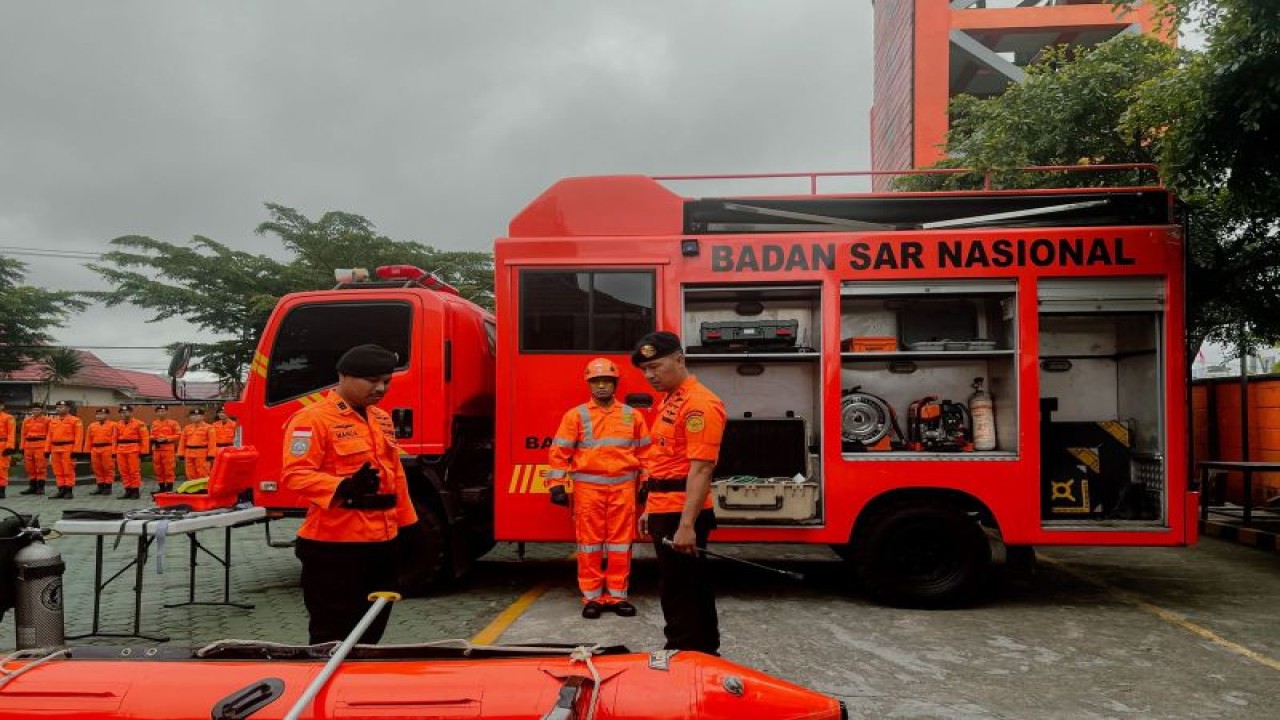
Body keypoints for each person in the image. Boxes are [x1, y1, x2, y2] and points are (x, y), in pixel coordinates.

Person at [281, 344, 418, 645]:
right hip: (335, 547)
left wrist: (408, 528)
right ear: (343, 376)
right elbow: (295, 475)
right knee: (332, 634)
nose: (381, 388)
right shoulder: (312, 419)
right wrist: (342, 487)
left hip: (381, 544)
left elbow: (396, 475)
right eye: (372, 380)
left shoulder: (380, 418)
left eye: (386, 381)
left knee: (371, 632)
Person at [632, 331, 726, 656]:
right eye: (644, 370)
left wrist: (687, 524)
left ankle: (685, 653)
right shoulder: (672, 399)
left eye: (656, 367)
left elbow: (701, 469)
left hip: (681, 513)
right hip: (665, 508)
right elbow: (664, 462)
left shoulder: (700, 404)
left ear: (679, 359)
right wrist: (649, 508)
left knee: (681, 590)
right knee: (683, 588)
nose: (649, 376)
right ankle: (699, 653)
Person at [546, 358, 650, 619]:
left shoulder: (632, 415)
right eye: (596, 381)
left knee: (620, 545)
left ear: (615, 383)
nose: (602, 386)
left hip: (623, 490)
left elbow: (647, 453)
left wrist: (647, 482)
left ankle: (616, 596)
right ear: (589, 384)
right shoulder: (576, 415)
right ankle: (591, 598)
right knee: (589, 545)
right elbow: (560, 452)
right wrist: (556, 484)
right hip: (588, 491)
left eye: (606, 381)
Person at [47, 400, 84, 499]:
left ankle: (69, 491)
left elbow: (79, 437)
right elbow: (49, 436)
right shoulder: (53, 421)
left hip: (68, 448)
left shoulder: (75, 420)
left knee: (68, 470)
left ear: (68, 408)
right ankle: (61, 490)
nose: (59, 409)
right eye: (57, 407)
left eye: (62, 407)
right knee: (57, 471)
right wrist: (47, 450)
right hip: (55, 448)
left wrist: (76, 451)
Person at [114, 404, 150, 499]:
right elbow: (114, 439)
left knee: (134, 471)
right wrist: (114, 452)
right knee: (123, 471)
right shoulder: (117, 424)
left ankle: (135, 491)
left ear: (131, 412)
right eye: (121, 413)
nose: (123, 414)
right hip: (121, 449)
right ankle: (127, 490)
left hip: (133, 449)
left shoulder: (139, 424)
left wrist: (144, 452)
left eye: (125, 412)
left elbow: (145, 438)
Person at [84, 407, 118, 495]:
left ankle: (108, 487)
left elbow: (115, 439)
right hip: (95, 449)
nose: (99, 416)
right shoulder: (92, 425)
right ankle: (100, 486)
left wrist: (114, 452)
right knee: (97, 468)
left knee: (108, 468)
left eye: (102, 414)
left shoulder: (113, 425)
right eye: (98, 414)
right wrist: (87, 452)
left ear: (107, 415)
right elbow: (88, 439)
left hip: (107, 448)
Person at [18, 406, 50, 495]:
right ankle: (32, 487)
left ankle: (40, 487)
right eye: (33, 409)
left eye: (37, 409)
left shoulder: (47, 420)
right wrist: (22, 448)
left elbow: (49, 435)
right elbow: (23, 435)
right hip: (28, 445)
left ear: (42, 410)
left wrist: (48, 449)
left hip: (41, 445)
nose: (35, 411)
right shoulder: (27, 421)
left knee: (41, 467)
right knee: (29, 467)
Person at [150, 404, 181, 493]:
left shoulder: (173, 423)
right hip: (156, 449)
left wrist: (166, 438)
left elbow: (178, 435)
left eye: (163, 411)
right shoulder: (154, 423)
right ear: (156, 413)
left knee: (169, 469)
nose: (160, 413)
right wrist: (153, 438)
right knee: (158, 469)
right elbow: (151, 434)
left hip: (168, 449)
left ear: (167, 412)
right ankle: (161, 488)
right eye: (158, 411)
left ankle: (169, 488)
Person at [178, 408, 214, 481]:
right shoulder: (187, 428)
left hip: (202, 453)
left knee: (203, 472)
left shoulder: (209, 427)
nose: (194, 417)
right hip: (189, 453)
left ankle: (204, 490)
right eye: (192, 415)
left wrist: (211, 455)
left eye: (197, 415)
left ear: (202, 416)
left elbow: (212, 442)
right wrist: (180, 453)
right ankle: (193, 490)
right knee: (190, 473)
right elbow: (182, 441)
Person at [0, 401, 15, 499]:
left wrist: (9, 447)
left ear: (2, 406)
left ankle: (1, 490)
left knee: (2, 469)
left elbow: (11, 433)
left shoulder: (8, 417)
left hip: (2, 444)